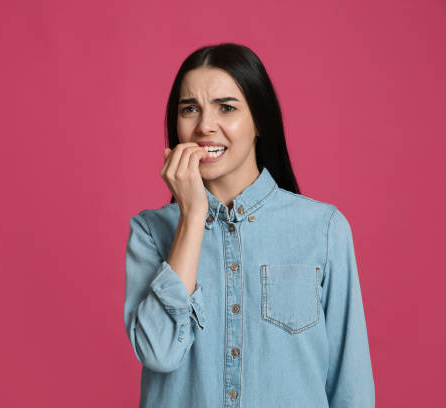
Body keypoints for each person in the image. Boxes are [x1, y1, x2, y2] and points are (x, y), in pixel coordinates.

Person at [123, 43, 375, 407]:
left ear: (260, 120)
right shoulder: (150, 232)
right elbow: (158, 353)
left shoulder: (323, 230)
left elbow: (351, 386)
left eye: (226, 108)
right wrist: (193, 217)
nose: (205, 126)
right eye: (189, 109)